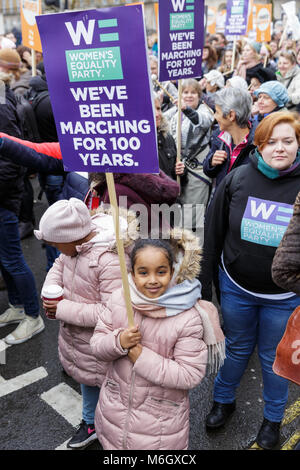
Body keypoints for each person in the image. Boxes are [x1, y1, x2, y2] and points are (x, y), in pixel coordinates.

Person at [201, 111, 300, 450]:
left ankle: (273, 420)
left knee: (275, 360)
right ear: (259, 145)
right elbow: (212, 233)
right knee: (236, 349)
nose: (280, 148)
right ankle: (222, 400)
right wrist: (204, 288)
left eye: (288, 141)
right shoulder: (238, 178)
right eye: (271, 141)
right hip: (236, 289)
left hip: (285, 298)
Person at [90, 234, 225, 450]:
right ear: (131, 274)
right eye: (143, 272)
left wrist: (142, 358)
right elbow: (96, 346)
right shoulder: (119, 299)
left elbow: (189, 374)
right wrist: (119, 342)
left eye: (161, 272)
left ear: (172, 272)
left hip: (160, 430)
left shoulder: (186, 317)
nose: (152, 280)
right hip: (113, 417)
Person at [35, 197, 137, 449]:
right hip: (81, 342)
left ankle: (118, 434)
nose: (57, 251)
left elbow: (111, 312)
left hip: (104, 345)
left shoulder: (109, 259)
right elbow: (59, 266)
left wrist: (62, 309)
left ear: (72, 238)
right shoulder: (73, 249)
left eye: (57, 244)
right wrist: (50, 289)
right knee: (87, 380)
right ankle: (90, 423)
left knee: (112, 392)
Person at [0, 63, 44, 345]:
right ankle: (16, 305)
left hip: (4, 195)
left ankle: (33, 316)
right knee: (4, 257)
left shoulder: (1, 107)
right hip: (4, 193)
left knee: (13, 258)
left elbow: (12, 154)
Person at [165, 78, 214, 231]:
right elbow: (159, 121)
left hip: (198, 170)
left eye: (193, 93)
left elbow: (203, 122)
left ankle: (193, 248)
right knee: (177, 214)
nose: (189, 95)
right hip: (179, 168)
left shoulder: (204, 110)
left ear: (199, 96)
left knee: (193, 216)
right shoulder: (175, 110)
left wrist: (186, 109)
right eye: (185, 92)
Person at [203, 87, 256, 188]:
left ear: (231, 115)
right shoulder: (219, 136)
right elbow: (208, 171)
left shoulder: (258, 143)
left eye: (217, 112)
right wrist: (211, 162)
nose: (215, 117)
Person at [154, 93, 185, 181]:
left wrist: (181, 172)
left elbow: (178, 179)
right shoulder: (136, 143)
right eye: (152, 109)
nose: (157, 114)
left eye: (158, 108)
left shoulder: (167, 137)